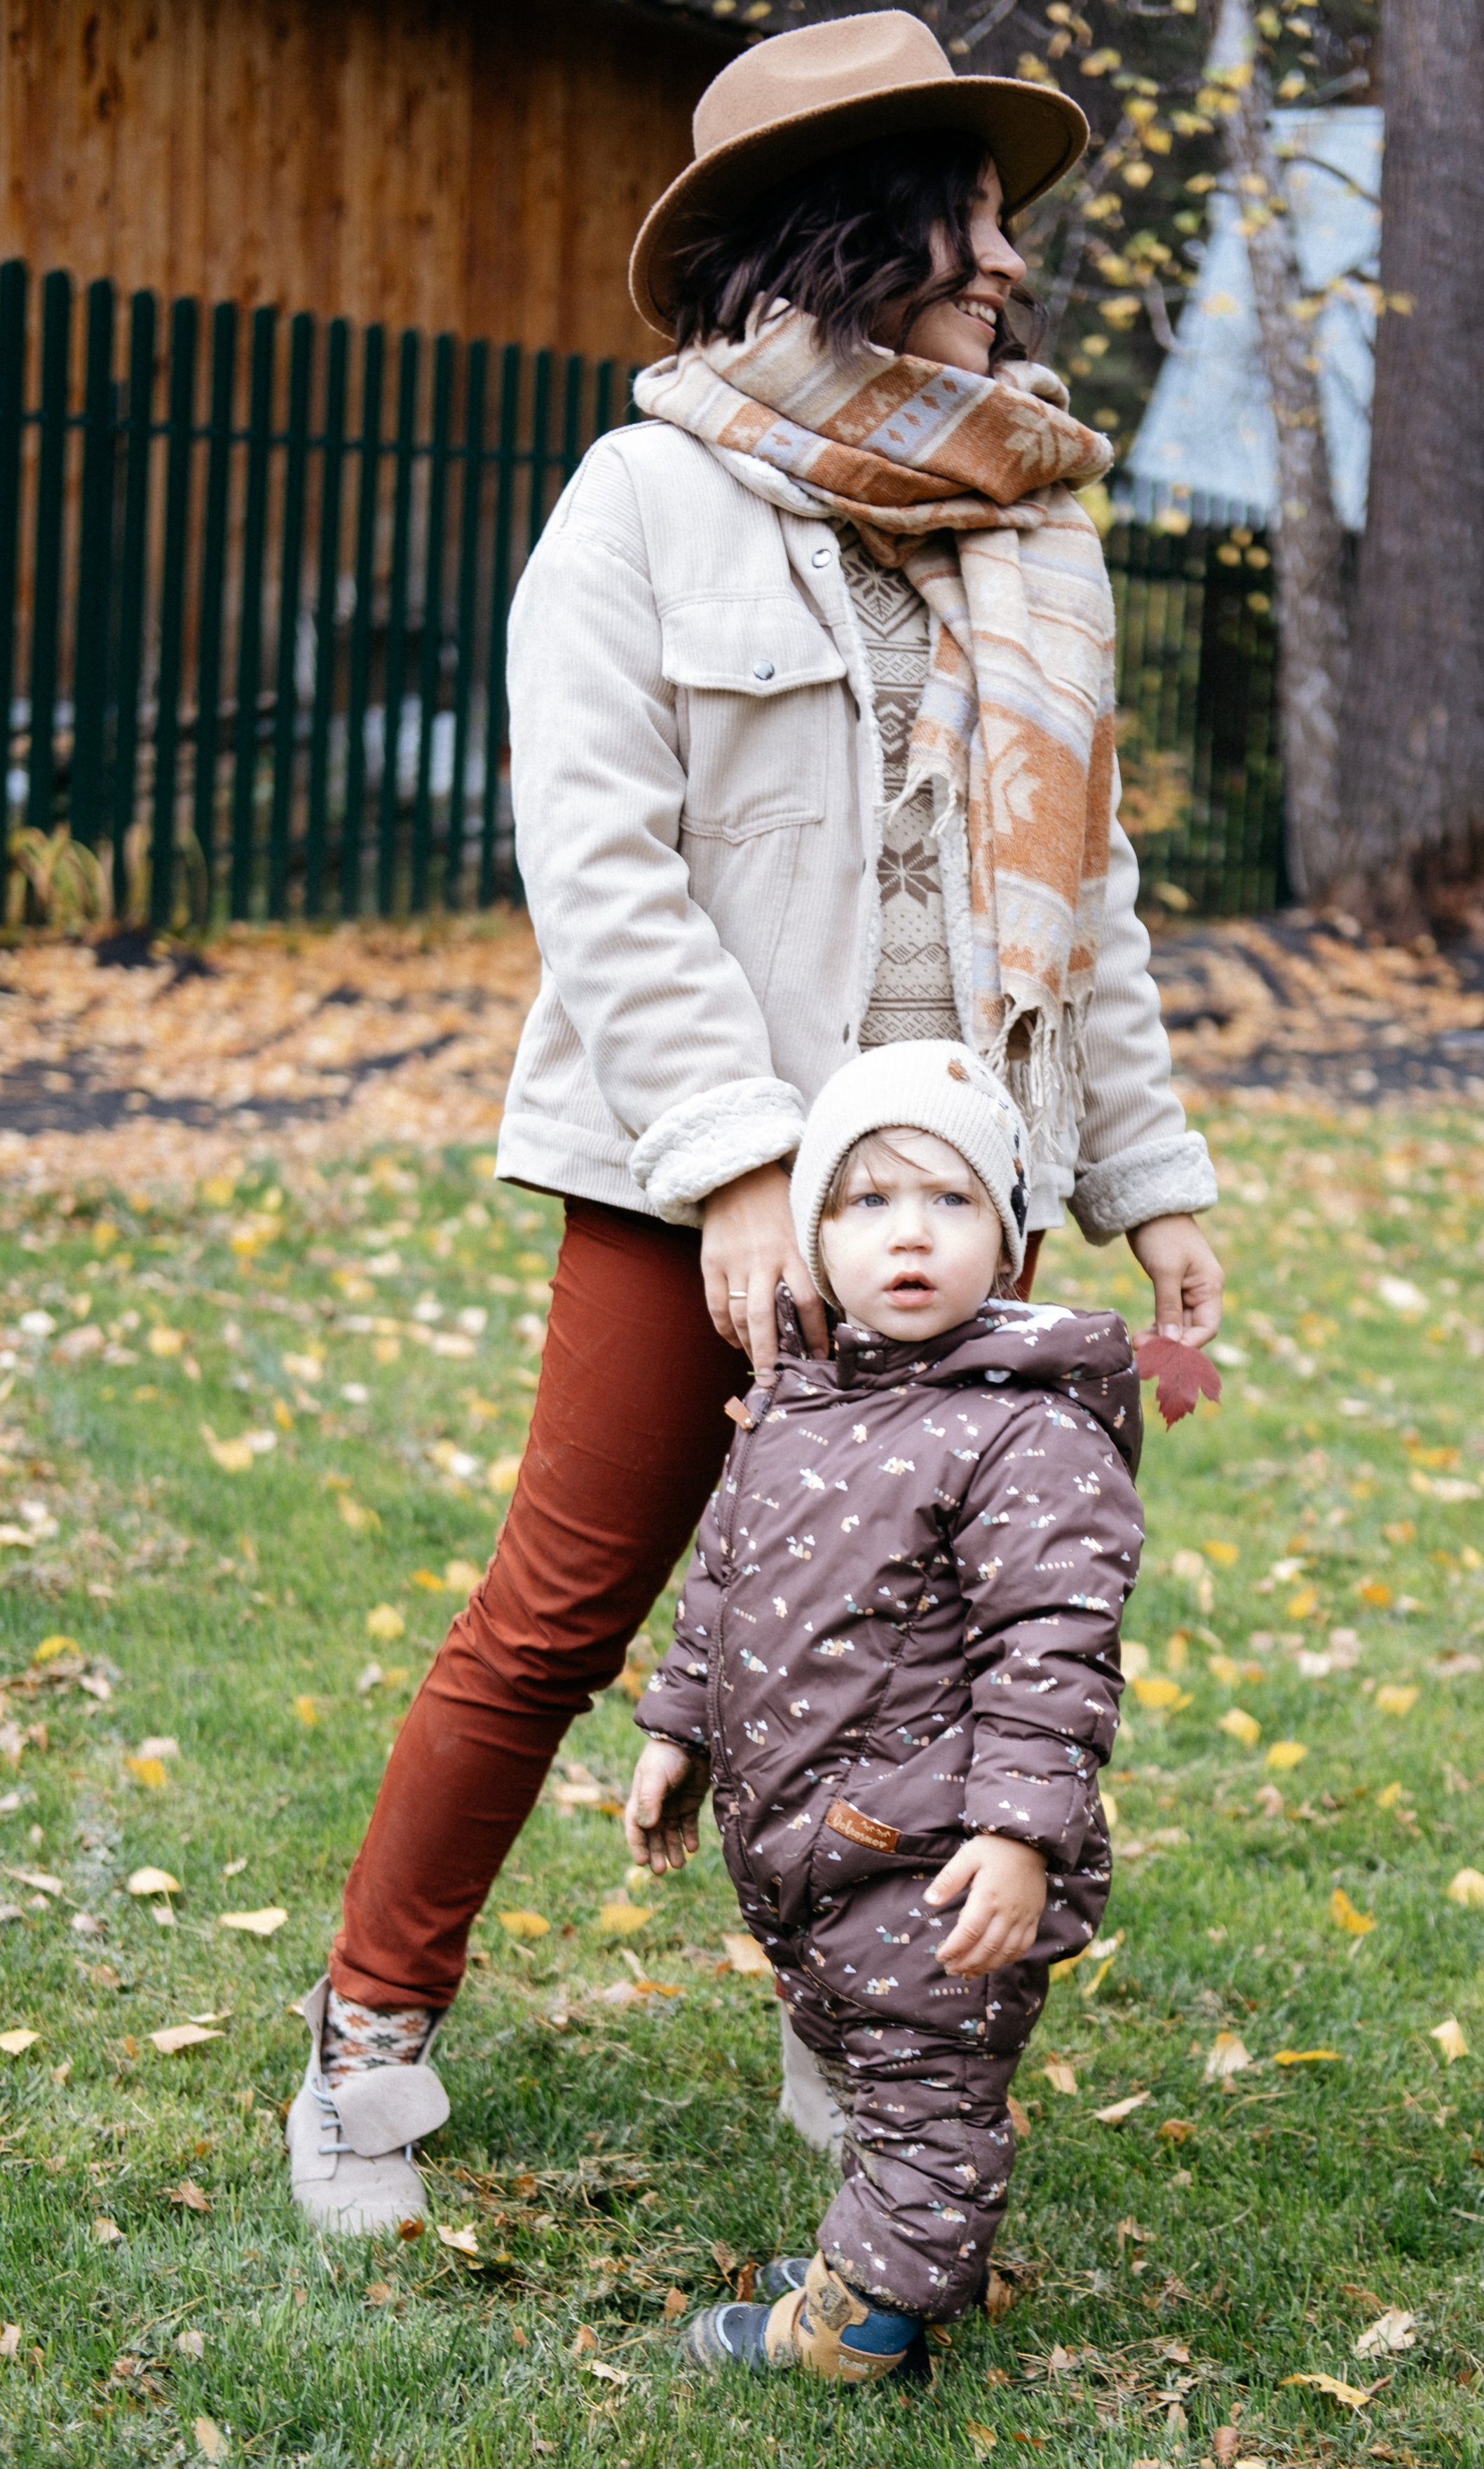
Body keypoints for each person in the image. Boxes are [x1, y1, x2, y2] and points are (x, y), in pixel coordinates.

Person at [287, 8, 1222, 2233]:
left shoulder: (1037, 514)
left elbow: (1085, 885)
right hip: (693, 1189)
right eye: (974, 220)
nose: (1008, 263)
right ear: (856, 227)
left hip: (959, 1204)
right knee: (566, 1612)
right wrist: (728, 1159)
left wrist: (1152, 1181)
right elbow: (595, 858)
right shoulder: (647, 498)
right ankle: (366, 2035)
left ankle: (870, 2025)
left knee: (928, 1636)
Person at [625, 1042, 1140, 2379]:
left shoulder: (1028, 1432)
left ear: (1010, 1238)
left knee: (925, 2081)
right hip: (814, 1832)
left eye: (951, 1200)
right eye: (866, 1202)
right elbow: (723, 1574)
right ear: (813, 1238)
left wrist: (1021, 1834)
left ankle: (864, 2323)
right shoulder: (798, 1396)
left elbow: (1054, 1652)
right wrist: (677, 1730)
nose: (909, 1233)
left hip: (929, 1846)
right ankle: (896, 2247)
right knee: (874, 2056)